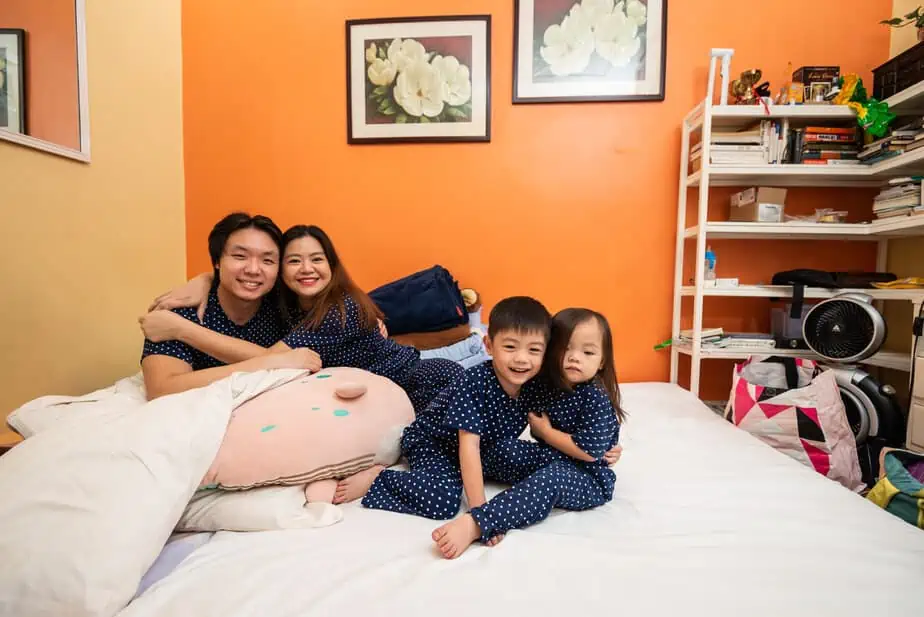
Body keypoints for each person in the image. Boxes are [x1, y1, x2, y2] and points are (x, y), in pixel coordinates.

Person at [142, 225, 462, 413]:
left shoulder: (338, 310)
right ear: (281, 270)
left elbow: (274, 359)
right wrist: (205, 279)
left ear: (331, 265)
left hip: (423, 378)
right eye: (293, 260)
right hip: (385, 383)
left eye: (317, 259)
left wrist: (183, 330)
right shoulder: (285, 304)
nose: (306, 268)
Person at [432, 307, 625, 559]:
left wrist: (545, 432)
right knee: (502, 449)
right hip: (554, 457)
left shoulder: (595, 396)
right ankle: (456, 470)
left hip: (588, 476)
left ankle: (479, 522)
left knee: (552, 479)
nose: (575, 358)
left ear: (601, 361)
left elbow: (589, 452)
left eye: (588, 352)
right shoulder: (543, 385)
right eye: (565, 349)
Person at [346, 296, 552, 516]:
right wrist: (480, 513)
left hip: (486, 446)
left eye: (534, 350)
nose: (522, 359)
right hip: (434, 443)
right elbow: (468, 446)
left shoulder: (534, 386)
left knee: (531, 457)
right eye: (510, 347)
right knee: (442, 501)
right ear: (489, 346)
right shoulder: (474, 383)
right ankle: (379, 478)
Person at [139, 213, 320, 400]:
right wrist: (272, 363)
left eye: (267, 260)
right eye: (240, 256)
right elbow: (161, 389)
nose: (253, 269)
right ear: (217, 261)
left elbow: (307, 362)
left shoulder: (287, 304)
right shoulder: (179, 311)